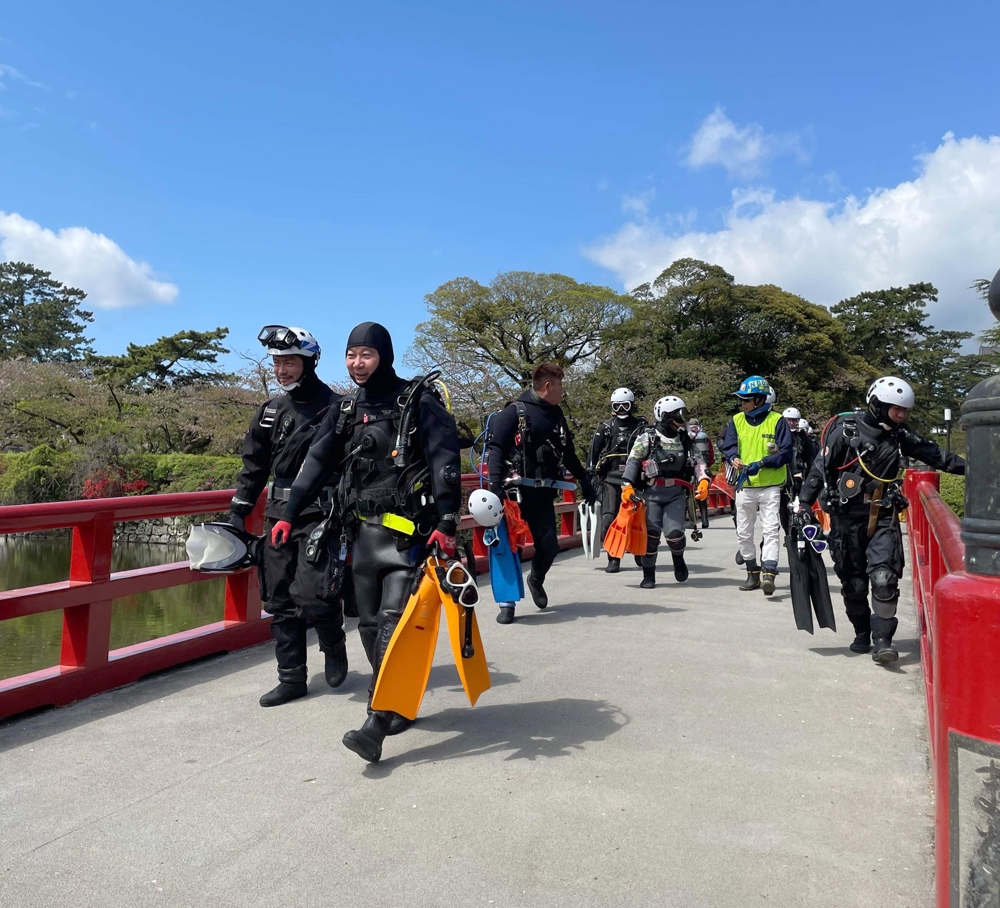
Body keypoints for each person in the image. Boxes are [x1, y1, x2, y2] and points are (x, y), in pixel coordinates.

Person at [274, 322, 463, 763]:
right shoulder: (346, 409)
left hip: (407, 535)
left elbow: (444, 461)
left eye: (367, 355)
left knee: (394, 625)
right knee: (371, 626)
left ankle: (375, 721)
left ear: (385, 355)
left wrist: (448, 519)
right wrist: (287, 513)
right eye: (351, 355)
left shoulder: (418, 402)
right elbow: (318, 459)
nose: (358, 364)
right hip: (361, 533)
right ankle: (396, 703)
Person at [797, 376, 965, 664]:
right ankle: (862, 632)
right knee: (854, 584)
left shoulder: (900, 436)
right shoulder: (844, 432)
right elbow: (818, 470)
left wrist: (981, 468)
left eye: (904, 410)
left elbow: (938, 457)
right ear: (877, 405)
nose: (902, 415)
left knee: (884, 578)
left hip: (884, 515)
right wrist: (802, 503)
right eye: (896, 408)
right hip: (846, 519)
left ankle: (883, 641)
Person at [230, 326, 348, 708]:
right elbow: (253, 467)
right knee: (278, 596)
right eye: (277, 363)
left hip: (322, 513)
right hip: (277, 512)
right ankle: (291, 678)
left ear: (310, 362)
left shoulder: (339, 408)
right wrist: (238, 513)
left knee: (315, 592)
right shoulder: (268, 412)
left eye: (290, 362)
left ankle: (333, 645)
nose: (282, 370)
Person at [486, 362, 597, 622]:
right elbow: (496, 450)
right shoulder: (514, 412)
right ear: (548, 386)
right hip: (513, 495)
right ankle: (507, 605)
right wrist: (494, 488)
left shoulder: (556, 415)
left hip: (543, 494)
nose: (563, 392)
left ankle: (536, 579)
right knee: (508, 547)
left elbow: (567, 452)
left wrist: (584, 479)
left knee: (548, 547)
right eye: (561, 386)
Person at [621, 396, 710, 589]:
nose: (682, 421)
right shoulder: (648, 438)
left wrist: (703, 480)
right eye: (679, 417)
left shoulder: (685, 440)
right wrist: (626, 485)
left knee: (675, 534)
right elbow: (633, 460)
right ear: (665, 417)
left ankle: (678, 558)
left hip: (675, 494)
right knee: (651, 537)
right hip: (651, 493)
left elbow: (698, 462)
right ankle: (648, 575)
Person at [720, 376, 793, 595]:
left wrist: (762, 463)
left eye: (746, 400)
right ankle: (752, 572)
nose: (743, 404)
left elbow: (786, 452)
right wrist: (733, 457)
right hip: (745, 485)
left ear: (760, 400)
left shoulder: (777, 420)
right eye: (741, 400)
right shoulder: (736, 420)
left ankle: (768, 571)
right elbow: (729, 445)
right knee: (744, 532)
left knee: (771, 529)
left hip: (770, 486)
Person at [587, 388, 648, 573]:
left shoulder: (642, 427)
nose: (621, 409)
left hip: (636, 480)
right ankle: (613, 557)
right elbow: (593, 454)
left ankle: (640, 552)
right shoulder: (605, 428)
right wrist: (589, 476)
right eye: (617, 406)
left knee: (639, 519)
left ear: (632, 405)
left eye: (625, 405)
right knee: (608, 519)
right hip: (611, 479)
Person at [778, 407, 819, 538]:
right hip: (782, 477)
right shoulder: (778, 435)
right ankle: (787, 531)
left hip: (799, 475)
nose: (792, 423)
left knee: (803, 502)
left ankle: (807, 528)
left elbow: (811, 457)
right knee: (783, 507)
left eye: (794, 420)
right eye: (789, 420)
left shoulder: (803, 438)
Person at [687, 418, 715, 529]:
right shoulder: (704, 437)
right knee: (702, 492)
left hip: (688, 466)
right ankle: (704, 518)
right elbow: (711, 454)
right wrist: (708, 464)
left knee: (688, 492)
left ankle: (692, 520)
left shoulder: (686, 436)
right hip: (702, 467)